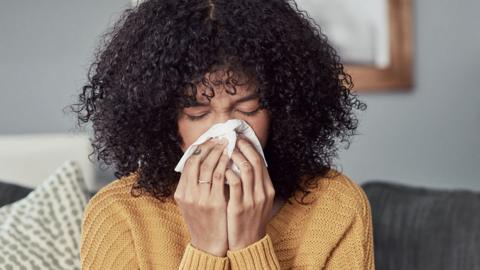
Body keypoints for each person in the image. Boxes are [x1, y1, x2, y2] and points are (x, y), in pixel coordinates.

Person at [72, 0, 374, 269]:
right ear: (163, 117)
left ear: (282, 109)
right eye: (198, 113)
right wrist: (206, 250)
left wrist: (249, 246)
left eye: (248, 108)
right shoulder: (119, 214)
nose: (226, 130)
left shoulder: (336, 206)